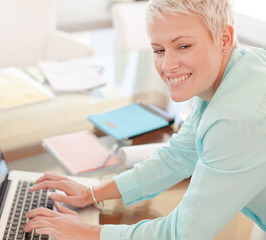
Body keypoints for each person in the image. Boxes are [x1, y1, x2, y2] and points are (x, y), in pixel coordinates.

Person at [23, 0, 266, 239]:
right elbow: (177, 156)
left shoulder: (237, 119)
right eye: (159, 50)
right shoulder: (233, 73)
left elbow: (183, 234)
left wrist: (87, 233)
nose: (167, 65)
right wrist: (92, 193)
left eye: (183, 46)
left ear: (224, 38)